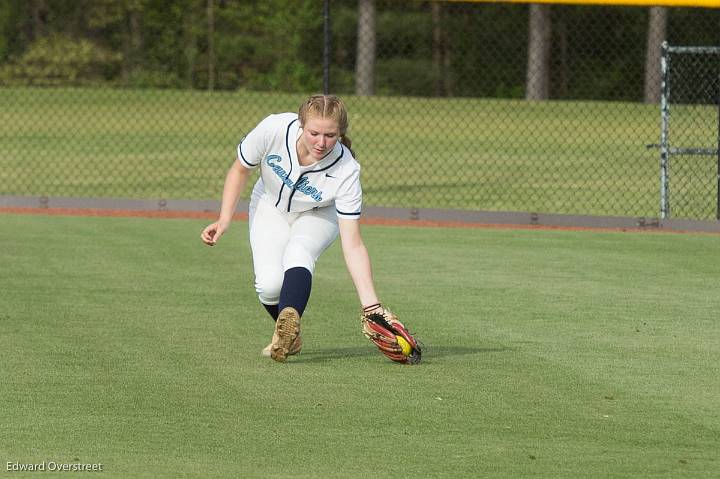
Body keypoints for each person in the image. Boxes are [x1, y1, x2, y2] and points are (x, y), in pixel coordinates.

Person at [201, 94, 383, 363]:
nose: (321, 143)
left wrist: (372, 305)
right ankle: (290, 334)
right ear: (300, 124)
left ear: (341, 133)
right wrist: (225, 218)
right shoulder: (274, 129)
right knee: (269, 286)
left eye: (331, 135)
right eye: (314, 133)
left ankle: (290, 318)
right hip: (269, 205)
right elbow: (240, 169)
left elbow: (353, 243)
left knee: (299, 252)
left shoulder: (346, 170)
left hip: (319, 214)